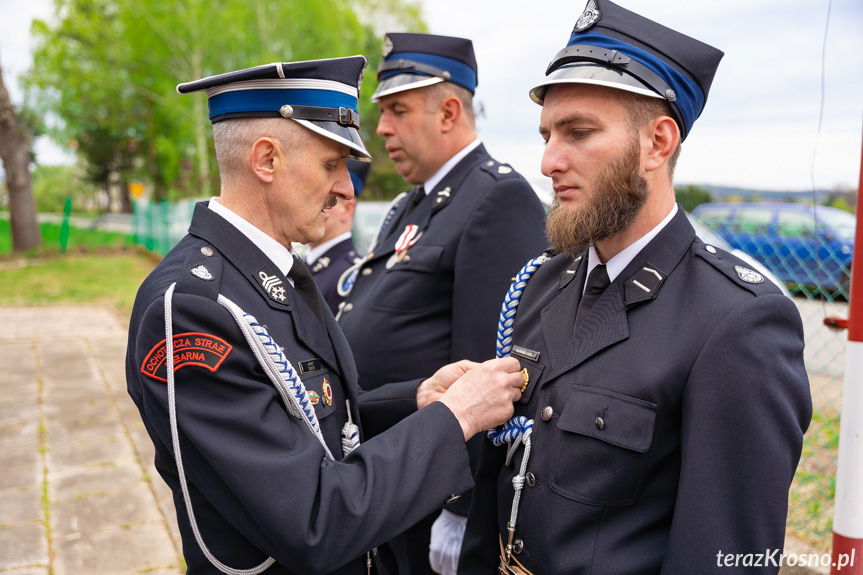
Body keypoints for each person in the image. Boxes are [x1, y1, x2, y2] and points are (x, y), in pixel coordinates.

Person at [124, 55, 527, 575]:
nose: (346, 189)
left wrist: (419, 400)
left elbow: (316, 417)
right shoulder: (192, 308)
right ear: (266, 160)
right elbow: (313, 520)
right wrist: (456, 419)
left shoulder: (269, 274)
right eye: (331, 164)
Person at [458, 2, 813, 573]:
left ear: (657, 143)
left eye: (578, 133)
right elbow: (502, 477)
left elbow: (724, 553)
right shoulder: (540, 284)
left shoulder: (736, 320)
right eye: (547, 135)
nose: (548, 161)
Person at [336, 33, 548, 575]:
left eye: (398, 111)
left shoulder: (496, 197)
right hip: (392, 474)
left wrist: (462, 509)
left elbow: (491, 366)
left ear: (449, 112)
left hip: (430, 490)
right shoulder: (416, 202)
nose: (382, 128)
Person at [305, 157, 370, 314]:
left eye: (326, 201)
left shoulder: (351, 275)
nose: (308, 205)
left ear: (347, 210)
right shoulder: (301, 264)